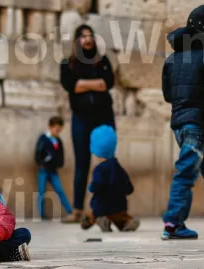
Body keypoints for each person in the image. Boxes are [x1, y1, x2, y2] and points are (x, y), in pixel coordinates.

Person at [162, 5, 204, 239]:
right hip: (197, 126)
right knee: (186, 172)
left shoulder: (172, 59)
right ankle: (173, 222)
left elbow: (168, 94)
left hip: (180, 125)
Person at [60, 24, 116, 224]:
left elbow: (107, 83)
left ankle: (106, 208)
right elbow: (71, 86)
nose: (87, 39)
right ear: (77, 40)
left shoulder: (102, 61)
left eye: (90, 35)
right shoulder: (68, 64)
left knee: (106, 162)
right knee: (82, 163)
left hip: (103, 116)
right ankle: (77, 210)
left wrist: (83, 84)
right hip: (81, 117)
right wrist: (94, 84)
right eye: (83, 36)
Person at [80, 125, 140, 232]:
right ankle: (127, 221)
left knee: (94, 212)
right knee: (120, 218)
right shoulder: (119, 168)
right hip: (119, 206)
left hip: (101, 206)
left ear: (94, 150)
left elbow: (97, 184)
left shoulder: (99, 169)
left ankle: (96, 219)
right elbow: (129, 188)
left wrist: (91, 187)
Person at [35, 116, 73, 220]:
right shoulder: (43, 138)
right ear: (50, 127)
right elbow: (38, 152)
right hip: (43, 170)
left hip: (53, 170)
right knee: (41, 191)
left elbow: (61, 154)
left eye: (59, 130)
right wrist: (41, 163)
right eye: (56, 129)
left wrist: (60, 163)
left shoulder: (58, 140)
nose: (58, 132)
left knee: (60, 190)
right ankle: (42, 214)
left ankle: (70, 211)